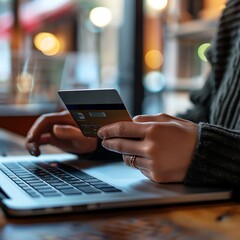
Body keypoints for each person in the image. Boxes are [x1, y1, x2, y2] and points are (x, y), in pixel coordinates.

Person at [25, 0, 240, 188]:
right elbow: (204, 116)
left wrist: (208, 153)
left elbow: (204, 138)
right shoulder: (234, 10)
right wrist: (106, 138)